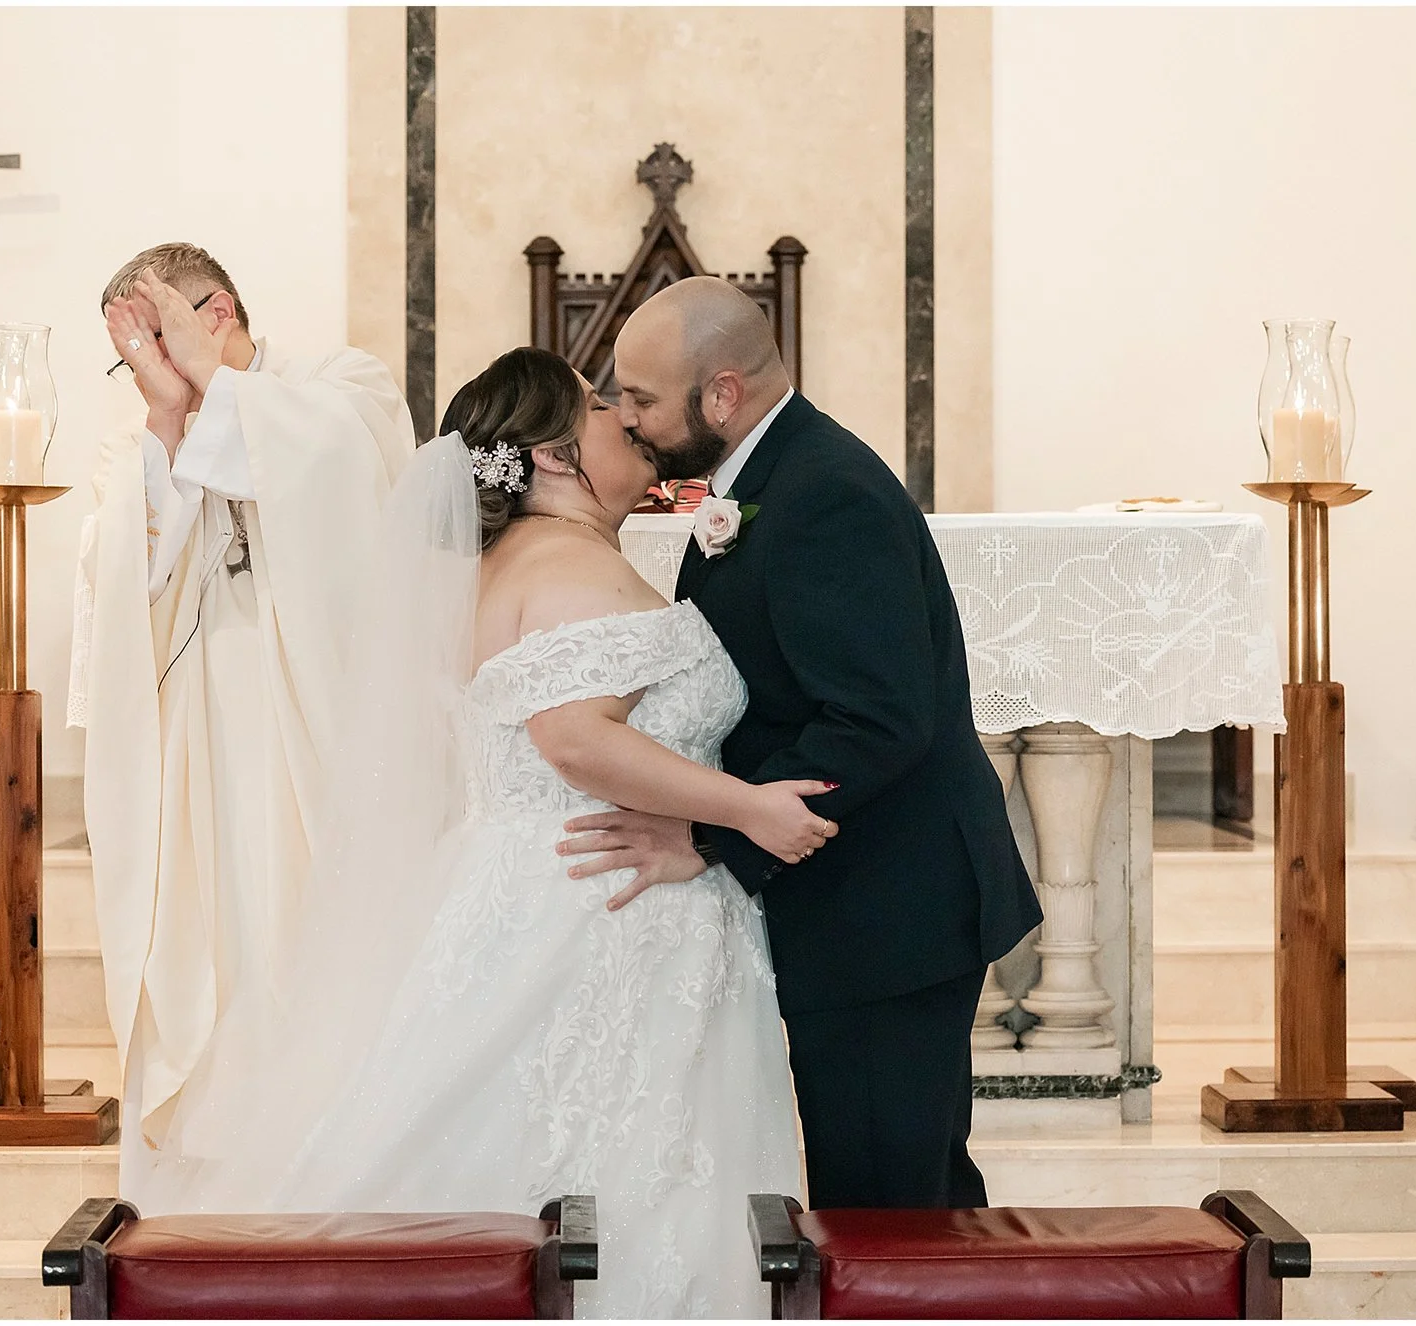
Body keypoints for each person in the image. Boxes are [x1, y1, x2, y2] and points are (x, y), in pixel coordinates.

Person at [133, 347, 816, 1318]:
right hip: (604, 907)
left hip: (532, 886)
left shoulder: (506, 569)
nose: (625, 415)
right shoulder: (573, 567)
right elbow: (575, 738)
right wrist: (750, 808)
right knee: (609, 1154)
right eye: (598, 408)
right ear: (547, 456)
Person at [562, 275, 1044, 1211]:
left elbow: (877, 718)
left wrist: (708, 834)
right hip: (858, 898)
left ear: (724, 394)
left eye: (646, 399)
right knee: (902, 1195)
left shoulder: (824, 493)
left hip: (888, 908)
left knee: (886, 1210)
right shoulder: (766, 480)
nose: (629, 419)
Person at [69, 242, 413, 1192]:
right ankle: (207, 1185)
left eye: (153, 336)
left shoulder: (343, 384)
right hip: (199, 751)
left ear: (213, 313)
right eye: (126, 351)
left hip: (317, 728)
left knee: (306, 939)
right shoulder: (142, 434)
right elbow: (120, 577)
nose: (142, 367)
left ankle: (330, 1175)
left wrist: (215, 402)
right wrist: (170, 433)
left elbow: (350, 466)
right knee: (211, 948)